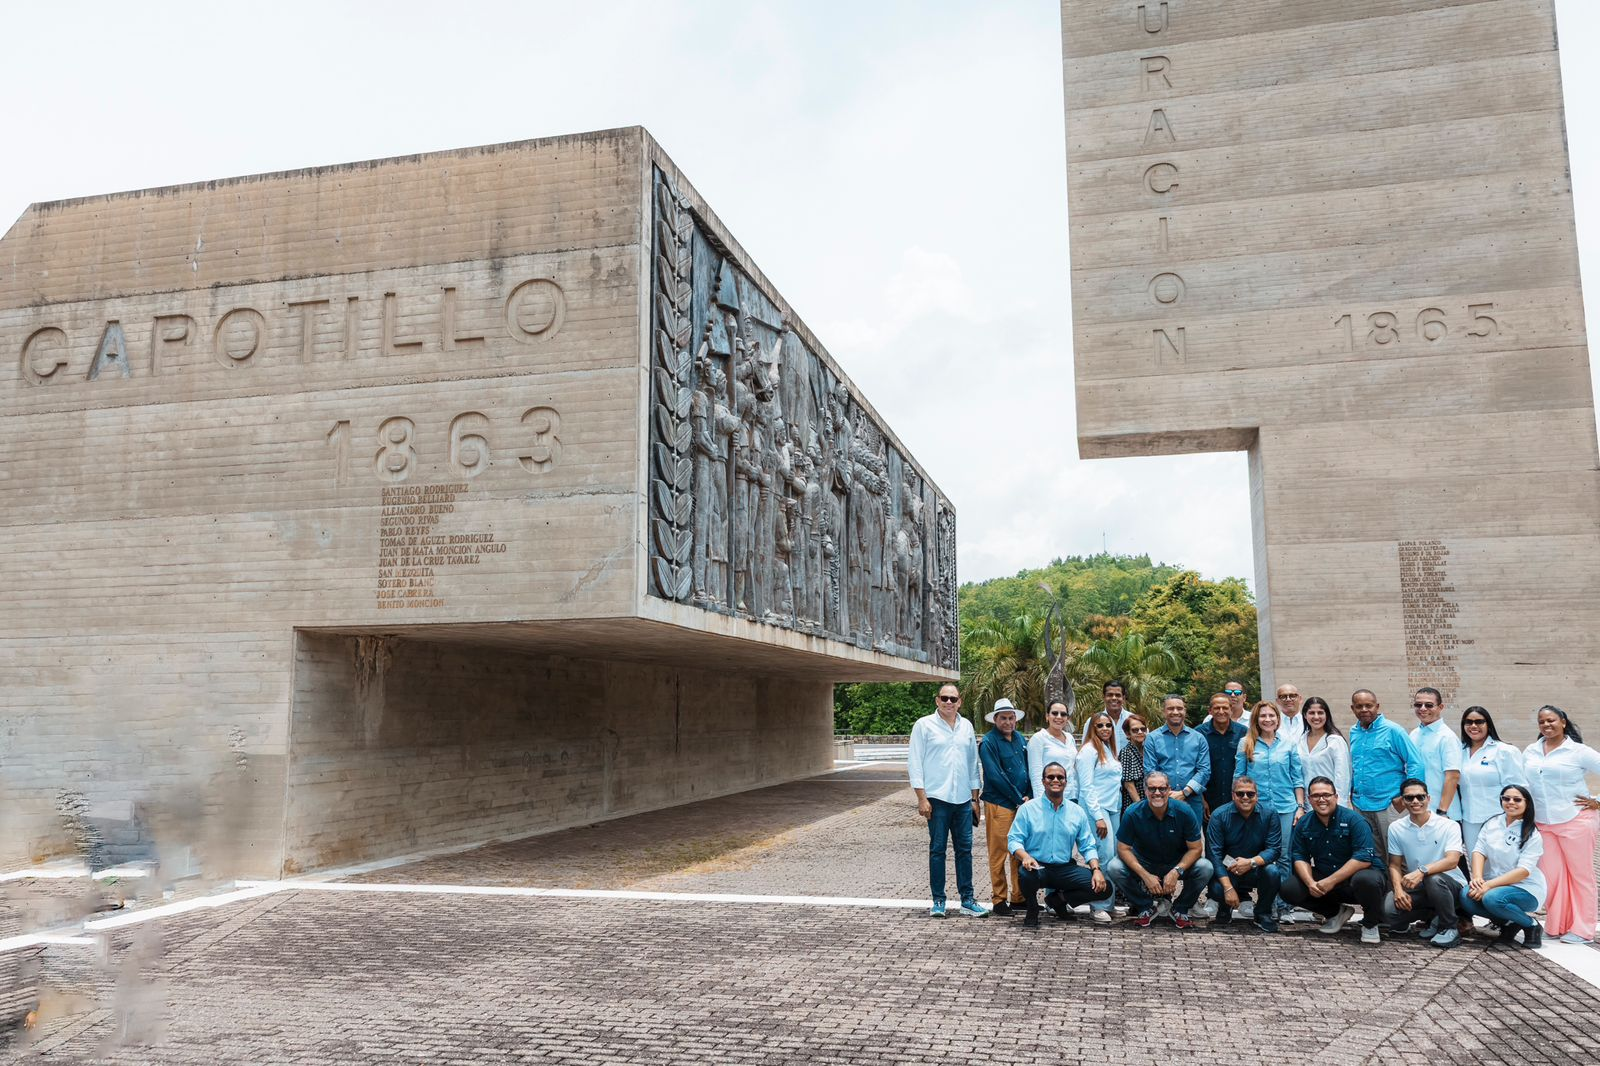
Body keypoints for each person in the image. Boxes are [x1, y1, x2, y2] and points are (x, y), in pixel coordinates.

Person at [1522, 705, 1600, 944]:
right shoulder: (1531, 751)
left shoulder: (1578, 751)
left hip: (1576, 820)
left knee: (1580, 876)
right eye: (1542, 721)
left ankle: (1583, 929)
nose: (1546, 725)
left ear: (1563, 722)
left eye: (1551, 720)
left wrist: (1597, 801)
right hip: (1544, 824)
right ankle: (1557, 924)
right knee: (1552, 877)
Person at [907, 684, 986, 918]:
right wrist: (922, 798)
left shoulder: (967, 727)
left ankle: (967, 900)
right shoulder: (924, 725)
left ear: (960, 701)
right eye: (945, 698)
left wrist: (975, 798)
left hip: (963, 800)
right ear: (937, 700)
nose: (949, 702)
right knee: (937, 850)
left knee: (965, 851)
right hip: (937, 799)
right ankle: (939, 900)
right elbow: (915, 763)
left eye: (953, 699)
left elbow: (973, 764)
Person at [1281, 776, 1388, 944]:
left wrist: (1330, 881)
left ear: (1336, 797)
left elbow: (1364, 858)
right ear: (1309, 799)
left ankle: (1370, 923)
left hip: (1358, 880)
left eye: (1326, 795)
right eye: (1316, 796)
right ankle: (1336, 913)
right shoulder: (1304, 823)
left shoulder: (1354, 820)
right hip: (1328, 878)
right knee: (1289, 887)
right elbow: (1300, 856)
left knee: (1367, 879)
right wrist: (1310, 883)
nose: (1321, 799)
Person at [1009, 761, 1113, 928]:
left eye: (1060, 777)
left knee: (1104, 888)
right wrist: (1025, 857)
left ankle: (1058, 900)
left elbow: (1088, 845)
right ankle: (1032, 908)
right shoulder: (1028, 809)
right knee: (1025, 874)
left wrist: (1096, 870)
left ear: (1065, 782)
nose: (1055, 780)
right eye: (1050, 777)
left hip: (1065, 869)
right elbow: (1014, 839)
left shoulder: (1077, 811)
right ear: (1043, 781)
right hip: (1038, 867)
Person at [1107, 771, 1213, 928]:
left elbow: (1196, 848)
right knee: (1114, 867)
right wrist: (1145, 875)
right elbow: (1123, 849)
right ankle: (1146, 906)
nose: (1157, 793)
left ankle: (1180, 908)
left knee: (1205, 867)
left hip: (1176, 861)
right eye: (1152, 788)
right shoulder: (1133, 812)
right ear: (1145, 790)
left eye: (1162, 789)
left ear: (1169, 789)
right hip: (1145, 862)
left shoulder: (1184, 811)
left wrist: (1176, 871)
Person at [1381, 778, 1466, 947]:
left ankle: (1449, 927)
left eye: (1420, 797)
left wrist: (1422, 871)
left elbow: (1452, 861)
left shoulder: (1449, 825)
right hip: (1420, 887)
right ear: (1403, 801)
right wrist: (1398, 890)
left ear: (1428, 799)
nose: (1415, 801)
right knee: (1388, 911)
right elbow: (1394, 864)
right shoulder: (1396, 827)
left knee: (1432, 878)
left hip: (1451, 885)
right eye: (1409, 798)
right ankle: (1433, 917)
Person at [1458, 785, 1546, 948]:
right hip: (1493, 884)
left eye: (1517, 799)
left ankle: (1531, 925)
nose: (1511, 802)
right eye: (1506, 798)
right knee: (1465, 895)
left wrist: (1488, 885)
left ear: (1527, 803)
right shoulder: (1492, 823)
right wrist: (1477, 878)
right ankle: (1509, 923)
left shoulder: (1532, 833)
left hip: (1525, 888)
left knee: (1493, 898)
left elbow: (1523, 871)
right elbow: (1479, 851)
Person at [1204, 774, 1283, 932]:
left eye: (1250, 794)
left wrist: (1251, 862)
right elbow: (1214, 854)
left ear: (1257, 795)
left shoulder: (1270, 814)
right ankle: (1225, 908)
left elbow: (1274, 849)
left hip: (1256, 867)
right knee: (1217, 888)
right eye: (1240, 793)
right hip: (1228, 868)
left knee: (1273, 872)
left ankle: (1262, 913)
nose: (1245, 797)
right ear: (1233, 795)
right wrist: (1227, 888)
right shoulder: (1219, 815)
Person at [1235, 701, 1306, 871]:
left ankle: (1282, 898)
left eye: (1271, 715)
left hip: (1285, 807)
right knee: (1258, 853)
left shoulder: (1289, 743)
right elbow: (1238, 777)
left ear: (1277, 718)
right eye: (1263, 716)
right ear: (1256, 720)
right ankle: (1264, 895)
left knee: (1284, 855)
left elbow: (1297, 778)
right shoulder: (1245, 743)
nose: (1268, 719)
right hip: (1256, 808)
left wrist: (1300, 807)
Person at [1348, 689, 1425, 845]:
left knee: (1397, 853)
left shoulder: (1393, 730)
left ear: (1377, 706)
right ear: (1353, 708)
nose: (1364, 710)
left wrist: (1406, 797)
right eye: (1359, 706)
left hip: (1389, 804)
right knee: (1372, 854)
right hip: (1361, 805)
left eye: (1368, 705)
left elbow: (1415, 762)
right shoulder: (1354, 732)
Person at [978, 698, 1031, 916]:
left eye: (1011, 718)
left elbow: (1028, 769)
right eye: (1003, 718)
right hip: (999, 803)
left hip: (1021, 803)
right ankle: (999, 899)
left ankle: (1019, 896)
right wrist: (1018, 799)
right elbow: (995, 776)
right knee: (999, 851)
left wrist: (1028, 796)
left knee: (1018, 851)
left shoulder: (1020, 739)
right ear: (995, 720)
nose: (1008, 722)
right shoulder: (989, 742)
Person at [1076, 712, 1124, 923]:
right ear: (1092, 729)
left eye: (1108, 725)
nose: (1105, 729)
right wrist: (1097, 817)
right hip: (1097, 809)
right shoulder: (1088, 751)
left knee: (1113, 857)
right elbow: (1086, 787)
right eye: (1100, 726)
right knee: (1102, 857)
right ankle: (1098, 906)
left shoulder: (1109, 750)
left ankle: (1109, 903)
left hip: (1113, 807)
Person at [1457, 706, 1525, 854]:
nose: (1473, 726)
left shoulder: (1504, 750)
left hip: (1499, 817)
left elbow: (1518, 787)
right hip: (1470, 820)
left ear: (1488, 724)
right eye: (1468, 722)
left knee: (1503, 863)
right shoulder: (1459, 752)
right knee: (1477, 866)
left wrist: (1515, 817)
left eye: (1479, 722)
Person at [1144, 695, 1209, 825]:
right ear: (1164, 712)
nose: (1175, 712)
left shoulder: (1198, 738)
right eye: (1170, 708)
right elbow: (1150, 770)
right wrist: (1165, 793)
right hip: (1161, 800)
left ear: (1185, 711)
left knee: (1192, 842)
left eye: (1179, 708)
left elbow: (1204, 770)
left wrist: (1185, 792)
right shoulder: (1152, 738)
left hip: (1192, 800)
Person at [1409, 688, 1462, 824]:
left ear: (1440, 707)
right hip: (1419, 811)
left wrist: (1442, 812)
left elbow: (1453, 776)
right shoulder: (1413, 734)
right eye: (1418, 704)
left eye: (1429, 705)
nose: (1422, 708)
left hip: (1442, 814)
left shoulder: (1447, 737)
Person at [1200, 692, 1247, 823]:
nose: (1221, 711)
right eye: (1217, 708)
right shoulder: (1199, 734)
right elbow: (1194, 768)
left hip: (1238, 798)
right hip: (1209, 800)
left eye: (1225, 708)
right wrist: (1201, 800)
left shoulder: (1244, 732)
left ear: (1231, 710)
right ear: (1210, 710)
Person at [1298, 697, 1351, 807]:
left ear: (1326, 715)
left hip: (1330, 803)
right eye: (1312, 713)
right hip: (1308, 804)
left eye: (1320, 713)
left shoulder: (1335, 741)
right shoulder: (1300, 741)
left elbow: (1342, 776)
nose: (1316, 717)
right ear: (1304, 715)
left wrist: (1339, 805)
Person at [1028, 700, 1078, 803]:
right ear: (1047, 716)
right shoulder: (1038, 739)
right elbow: (1036, 774)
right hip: (1050, 798)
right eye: (1055, 713)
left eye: (1063, 714)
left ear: (1067, 719)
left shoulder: (1069, 738)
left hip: (1072, 797)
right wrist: (1041, 802)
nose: (1059, 717)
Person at [1080, 680, 1134, 754]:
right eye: (1110, 695)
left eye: (1118, 695)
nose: (1114, 698)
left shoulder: (1133, 720)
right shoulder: (1092, 722)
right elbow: (1085, 749)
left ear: (1123, 698)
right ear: (1104, 697)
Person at [1121, 716, 1150, 809]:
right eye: (1135, 730)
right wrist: (1140, 807)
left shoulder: (1147, 750)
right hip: (1134, 803)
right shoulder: (1126, 752)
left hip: (1149, 801)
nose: (1140, 732)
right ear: (1128, 733)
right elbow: (1128, 785)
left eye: (1143, 729)